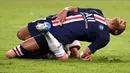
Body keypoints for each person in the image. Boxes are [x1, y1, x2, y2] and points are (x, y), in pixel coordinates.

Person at [6, 6, 126, 61]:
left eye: (124, 25)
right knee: (20, 34)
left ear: (116, 31)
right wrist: (65, 10)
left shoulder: (104, 37)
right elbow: (74, 9)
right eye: (124, 21)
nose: (125, 22)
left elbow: (85, 53)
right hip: (52, 20)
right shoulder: (98, 12)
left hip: (59, 34)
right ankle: (49, 51)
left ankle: (49, 52)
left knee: (11, 54)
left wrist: (84, 56)